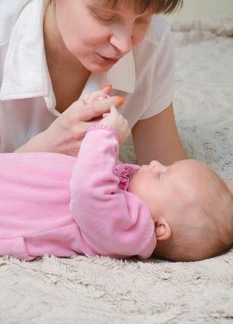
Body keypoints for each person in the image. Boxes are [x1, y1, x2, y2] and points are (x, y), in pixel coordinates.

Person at [0, 101, 233, 262]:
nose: (155, 163)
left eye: (162, 174)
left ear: (160, 227)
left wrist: (104, 135)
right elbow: (92, 170)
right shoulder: (134, 191)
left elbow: (89, 192)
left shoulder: (131, 231)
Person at [0, 0, 187, 165]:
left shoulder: (152, 43)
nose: (123, 45)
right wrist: (42, 148)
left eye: (142, 19)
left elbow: (170, 172)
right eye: (105, 16)